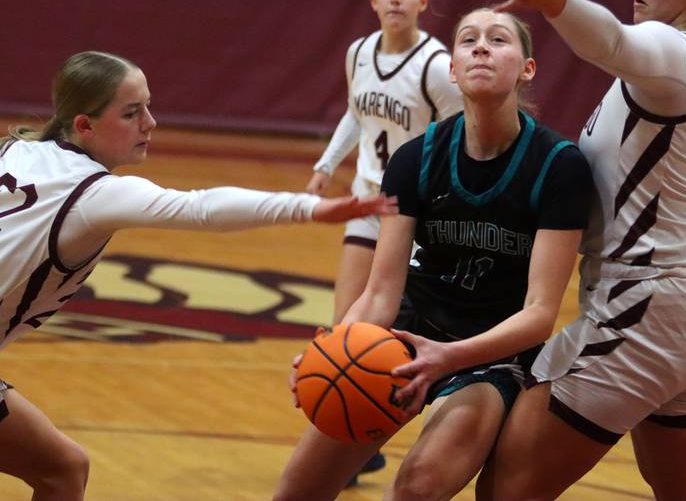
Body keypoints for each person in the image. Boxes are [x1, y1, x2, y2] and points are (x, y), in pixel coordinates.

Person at [391, 0, 686, 500]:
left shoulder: (673, 52)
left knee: (506, 489)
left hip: (647, 306)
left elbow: (608, 39)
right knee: (683, 490)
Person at [0, 50, 397, 501]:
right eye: (132, 113)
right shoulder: (94, 194)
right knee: (63, 470)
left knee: (64, 469)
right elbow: (201, 208)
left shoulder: (18, 152)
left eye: (148, 106)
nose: (150, 122)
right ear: (84, 125)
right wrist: (311, 208)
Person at [274, 8, 593, 501]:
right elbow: (380, 291)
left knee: (417, 487)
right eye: (468, 40)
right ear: (452, 67)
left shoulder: (559, 166)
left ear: (527, 68)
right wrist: (332, 351)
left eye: (498, 40)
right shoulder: (414, 159)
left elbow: (539, 314)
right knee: (297, 490)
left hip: (490, 354)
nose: (482, 47)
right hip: (408, 332)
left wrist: (447, 358)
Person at [305, 0, 463, 486]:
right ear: (373, 0)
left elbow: (457, 137)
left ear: (424, 1)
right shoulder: (359, 52)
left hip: (416, 213)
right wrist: (325, 166)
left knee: (390, 329)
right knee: (345, 326)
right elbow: (356, 112)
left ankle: (374, 422)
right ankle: (350, 430)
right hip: (367, 202)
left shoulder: (438, 66)